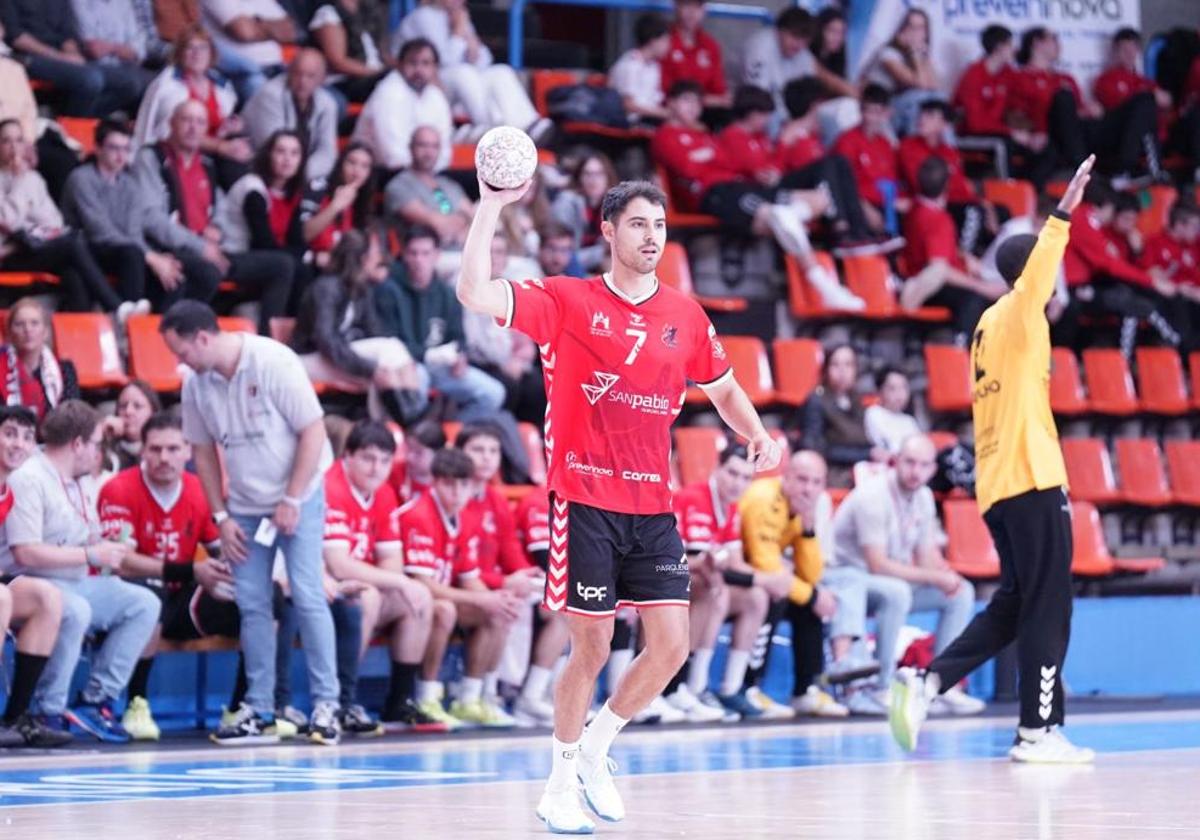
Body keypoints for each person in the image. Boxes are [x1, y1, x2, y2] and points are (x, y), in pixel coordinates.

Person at [456, 173, 782, 832]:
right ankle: (557, 783)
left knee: (671, 648)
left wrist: (757, 433)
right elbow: (472, 290)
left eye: (659, 226)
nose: (651, 237)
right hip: (584, 500)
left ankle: (595, 751)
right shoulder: (567, 299)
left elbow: (720, 387)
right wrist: (490, 206)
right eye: (638, 224)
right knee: (594, 647)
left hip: (652, 509)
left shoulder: (685, 315)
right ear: (607, 231)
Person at [889, 155, 1099, 764]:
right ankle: (1038, 731)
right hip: (1032, 477)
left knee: (1016, 600)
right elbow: (1039, 272)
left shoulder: (990, 323)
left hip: (998, 485)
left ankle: (926, 681)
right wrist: (1062, 214)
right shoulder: (1020, 313)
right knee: (1050, 602)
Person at [161, 300, 343, 746]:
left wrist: (293, 498)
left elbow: (314, 431)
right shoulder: (196, 383)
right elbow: (202, 451)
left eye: (181, 351)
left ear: (203, 338)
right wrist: (220, 515)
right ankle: (259, 708)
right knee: (252, 602)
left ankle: (327, 705)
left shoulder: (273, 361)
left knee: (306, 592)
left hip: (297, 492)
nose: (178, 361)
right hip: (244, 504)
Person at [1, 400, 159, 742]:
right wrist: (90, 553)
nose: (99, 453)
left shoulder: (80, 480)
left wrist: (107, 545)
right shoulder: (29, 476)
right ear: (78, 444)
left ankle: (96, 699)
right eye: (96, 444)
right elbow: (25, 552)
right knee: (74, 608)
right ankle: (47, 709)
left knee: (143, 603)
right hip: (26, 579)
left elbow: (79, 537)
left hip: (70, 577)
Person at [652, 80, 863, 311]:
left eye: (697, 102)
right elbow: (688, 167)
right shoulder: (666, 135)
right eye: (686, 101)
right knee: (779, 217)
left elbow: (727, 162)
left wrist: (706, 155)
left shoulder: (705, 137)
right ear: (670, 103)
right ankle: (826, 288)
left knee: (820, 198)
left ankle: (788, 219)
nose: (693, 108)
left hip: (741, 188)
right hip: (717, 195)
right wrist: (710, 157)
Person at [824, 436, 981, 716]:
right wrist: (933, 577)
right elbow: (877, 564)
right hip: (847, 580)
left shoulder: (922, 497)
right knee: (897, 592)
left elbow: (925, 556)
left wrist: (946, 575)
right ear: (896, 462)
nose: (915, 471)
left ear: (933, 469)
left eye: (923, 465)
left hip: (889, 578)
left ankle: (940, 685)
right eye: (909, 462)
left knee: (961, 593)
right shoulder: (873, 496)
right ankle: (882, 686)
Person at [96, 412, 229, 741]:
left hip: (181, 602)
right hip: (126, 603)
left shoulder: (200, 490)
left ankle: (248, 707)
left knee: (261, 598)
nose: (164, 458)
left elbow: (219, 550)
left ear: (188, 450)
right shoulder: (118, 488)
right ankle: (136, 702)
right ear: (142, 451)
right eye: (155, 449)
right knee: (149, 590)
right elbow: (119, 561)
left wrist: (231, 574)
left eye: (173, 449)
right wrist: (188, 571)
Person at [375, 225, 530, 481]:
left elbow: (458, 336)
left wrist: (460, 356)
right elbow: (391, 340)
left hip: (444, 364)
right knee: (418, 383)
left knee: (494, 392)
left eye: (425, 253)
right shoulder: (389, 289)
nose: (419, 260)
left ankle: (451, 428)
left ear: (437, 255)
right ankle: (423, 435)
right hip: (411, 364)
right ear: (403, 255)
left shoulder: (446, 292)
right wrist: (426, 356)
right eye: (413, 253)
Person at [321, 420, 448, 732]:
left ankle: (399, 702)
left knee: (418, 600)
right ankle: (340, 701)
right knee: (372, 596)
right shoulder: (331, 487)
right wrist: (399, 581)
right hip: (324, 587)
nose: (376, 468)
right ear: (347, 456)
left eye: (384, 460)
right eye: (367, 458)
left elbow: (391, 557)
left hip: (362, 584)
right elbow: (338, 564)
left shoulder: (384, 492)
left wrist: (401, 585)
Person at [132, 103, 298, 333]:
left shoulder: (208, 164)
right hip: (171, 248)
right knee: (207, 272)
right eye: (186, 120)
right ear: (171, 124)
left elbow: (220, 210)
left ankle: (267, 343)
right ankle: (182, 335)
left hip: (209, 250)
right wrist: (199, 246)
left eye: (200, 122)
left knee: (282, 265)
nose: (193, 128)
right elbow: (150, 218)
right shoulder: (152, 157)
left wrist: (218, 230)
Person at [666, 443, 787, 721]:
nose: (738, 483)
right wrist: (764, 578)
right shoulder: (691, 498)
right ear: (717, 469)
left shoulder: (731, 510)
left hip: (703, 581)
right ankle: (690, 686)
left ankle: (731, 689)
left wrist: (770, 579)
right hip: (673, 581)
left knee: (756, 597)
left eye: (746, 478)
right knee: (715, 589)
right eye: (733, 473)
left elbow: (734, 563)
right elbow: (678, 558)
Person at [401, 447, 521, 728]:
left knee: (498, 612)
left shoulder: (465, 517)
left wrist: (493, 599)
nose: (457, 492)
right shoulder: (418, 514)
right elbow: (423, 583)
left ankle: (470, 699)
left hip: (440, 594)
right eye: (449, 484)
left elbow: (469, 576)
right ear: (435, 482)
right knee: (444, 610)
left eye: (464, 484)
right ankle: (425, 697)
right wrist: (481, 599)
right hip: (409, 597)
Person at [65, 116, 219, 313]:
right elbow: (100, 231)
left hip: (125, 251)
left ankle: (160, 334)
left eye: (125, 149)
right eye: (114, 148)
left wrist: (156, 259)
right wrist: (151, 257)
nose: (120, 156)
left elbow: (134, 232)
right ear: (98, 148)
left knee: (174, 276)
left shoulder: (130, 184)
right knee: (134, 254)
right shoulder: (82, 179)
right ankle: (125, 320)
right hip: (90, 250)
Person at [738, 450, 848, 718]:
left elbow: (811, 575)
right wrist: (812, 596)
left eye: (816, 482)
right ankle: (748, 687)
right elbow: (768, 569)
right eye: (801, 479)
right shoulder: (764, 498)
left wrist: (808, 530)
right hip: (737, 576)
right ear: (786, 477)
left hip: (760, 576)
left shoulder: (803, 509)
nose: (808, 489)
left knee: (809, 602)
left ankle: (805, 691)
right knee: (776, 596)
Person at [0, 120, 138, 315]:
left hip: (32, 246)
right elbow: (9, 219)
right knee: (72, 244)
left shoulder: (33, 178)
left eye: (19, 140)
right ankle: (116, 308)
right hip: (7, 256)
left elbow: (54, 222)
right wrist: (22, 186)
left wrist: (27, 220)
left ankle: (84, 334)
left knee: (73, 274)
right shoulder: (25, 179)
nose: (14, 147)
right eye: (6, 141)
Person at [291, 228, 424, 424]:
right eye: (375, 254)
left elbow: (374, 332)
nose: (379, 259)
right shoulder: (326, 287)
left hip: (339, 356)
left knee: (391, 355)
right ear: (362, 259)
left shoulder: (361, 287)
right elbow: (326, 341)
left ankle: (402, 420)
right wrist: (368, 367)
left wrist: (373, 367)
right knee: (388, 355)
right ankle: (408, 422)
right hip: (308, 359)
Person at [0, 405, 73, 748]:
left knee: (47, 597)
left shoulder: (9, 492)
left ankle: (16, 717)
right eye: (9, 433)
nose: (18, 444)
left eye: (27, 437)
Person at [1011, 28, 1162, 183]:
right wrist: (1030, 134)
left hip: (1081, 133)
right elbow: (1015, 114)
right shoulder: (1020, 78)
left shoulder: (1065, 78)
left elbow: (1079, 111)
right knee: (1063, 97)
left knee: (1144, 100)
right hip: (1050, 136)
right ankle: (1083, 170)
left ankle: (1125, 167)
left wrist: (1090, 110)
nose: (1058, 44)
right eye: (1053, 39)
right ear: (1037, 43)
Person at [1057, 177, 1180, 359]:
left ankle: (1127, 360)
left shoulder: (1086, 221)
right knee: (1133, 304)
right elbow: (1110, 264)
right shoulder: (1082, 221)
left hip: (1082, 286)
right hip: (1072, 288)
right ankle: (1177, 346)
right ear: (1106, 206)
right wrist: (1152, 281)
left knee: (1133, 303)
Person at [393, 0, 546, 142]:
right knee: (464, 73)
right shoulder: (423, 17)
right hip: (428, 88)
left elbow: (485, 61)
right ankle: (492, 128)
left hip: (464, 87)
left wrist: (471, 42)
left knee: (500, 71)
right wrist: (458, 34)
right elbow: (441, 63)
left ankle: (529, 124)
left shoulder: (460, 17)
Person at [133, 25, 248, 190]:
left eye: (202, 48)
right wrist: (221, 147)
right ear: (180, 53)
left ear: (211, 54)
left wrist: (231, 127)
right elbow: (175, 134)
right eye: (190, 48)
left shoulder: (221, 86)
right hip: (174, 155)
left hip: (211, 154)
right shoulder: (168, 86)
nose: (197, 54)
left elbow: (221, 125)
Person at [899, 157, 1000, 341]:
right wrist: (983, 287)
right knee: (976, 299)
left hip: (918, 278)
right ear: (946, 186)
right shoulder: (939, 220)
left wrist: (963, 255)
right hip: (933, 289)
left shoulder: (914, 210)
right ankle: (960, 351)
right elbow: (939, 270)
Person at [0, 0, 146, 116]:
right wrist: (59, 57)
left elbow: (67, 33)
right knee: (90, 80)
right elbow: (16, 37)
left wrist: (73, 54)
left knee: (130, 83)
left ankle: (87, 122)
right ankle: (74, 125)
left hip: (62, 57)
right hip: (28, 56)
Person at [953, 25, 1054, 188]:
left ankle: (1032, 191)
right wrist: (1012, 133)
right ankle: (1008, 191)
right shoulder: (973, 75)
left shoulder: (1007, 74)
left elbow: (1028, 98)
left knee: (1044, 149)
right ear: (999, 48)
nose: (1014, 50)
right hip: (970, 135)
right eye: (1009, 45)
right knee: (1003, 144)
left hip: (1002, 132)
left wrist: (1036, 133)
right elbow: (975, 123)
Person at [899, 100, 1003, 256]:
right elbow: (925, 185)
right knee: (974, 211)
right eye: (922, 114)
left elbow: (960, 186)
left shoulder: (949, 152)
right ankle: (964, 257)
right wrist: (977, 203)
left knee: (1001, 211)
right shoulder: (908, 146)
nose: (922, 119)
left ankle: (989, 259)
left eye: (931, 116)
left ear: (944, 125)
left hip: (952, 200)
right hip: (927, 201)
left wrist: (983, 203)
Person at [794, 344, 887, 488]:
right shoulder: (817, 400)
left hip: (863, 467)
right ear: (826, 369)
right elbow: (814, 448)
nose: (842, 371)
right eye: (835, 364)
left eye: (848, 365)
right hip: (834, 471)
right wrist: (867, 454)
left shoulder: (857, 400)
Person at [353, 38, 452, 172]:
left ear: (435, 68)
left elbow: (444, 149)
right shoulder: (388, 92)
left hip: (423, 172)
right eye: (412, 63)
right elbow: (392, 154)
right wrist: (424, 175)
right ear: (399, 65)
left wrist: (433, 172)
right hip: (380, 172)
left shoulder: (436, 96)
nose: (419, 70)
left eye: (426, 63)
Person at [242, 48, 340, 182]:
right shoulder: (270, 95)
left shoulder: (327, 103)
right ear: (288, 72)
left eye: (310, 76)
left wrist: (305, 173)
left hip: (298, 174)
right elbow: (273, 150)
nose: (302, 81)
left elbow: (327, 151)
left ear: (322, 79)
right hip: (256, 168)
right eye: (297, 74)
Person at [383, 125, 475, 256]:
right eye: (423, 145)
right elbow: (438, 226)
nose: (429, 152)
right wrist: (463, 222)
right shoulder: (399, 186)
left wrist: (464, 223)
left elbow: (475, 219)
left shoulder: (449, 184)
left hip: (462, 254)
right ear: (411, 147)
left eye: (434, 146)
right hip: (424, 260)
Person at [832, 84, 903, 233]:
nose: (870, 118)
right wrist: (865, 208)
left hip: (887, 208)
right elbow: (841, 184)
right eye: (866, 111)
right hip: (858, 207)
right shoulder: (847, 141)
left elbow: (892, 182)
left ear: (886, 113)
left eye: (876, 112)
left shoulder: (885, 144)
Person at [858, 8, 941, 136]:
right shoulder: (889, 54)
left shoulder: (917, 55)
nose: (916, 33)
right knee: (918, 99)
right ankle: (916, 148)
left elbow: (934, 86)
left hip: (898, 106)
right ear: (901, 29)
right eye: (911, 27)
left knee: (938, 98)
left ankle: (947, 150)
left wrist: (924, 57)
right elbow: (919, 84)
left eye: (921, 28)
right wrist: (915, 53)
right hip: (878, 107)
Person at [0, 299, 81, 422]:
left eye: (34, 323)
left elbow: (71, 416)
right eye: (19, 324)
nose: (27, 329)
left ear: (46, 332)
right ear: (9, 333)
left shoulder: (65, 369)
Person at [302, 141, 379, 268]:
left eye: (365, 166)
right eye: (351, 162)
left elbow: (370, 245)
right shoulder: (318, 188)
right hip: (314, 263)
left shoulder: (363, 198)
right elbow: (304, 234)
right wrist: (335, 206)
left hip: (346, 267)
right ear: (340, 164)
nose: (357, 171)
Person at [200, 0, 296, 101]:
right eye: (257, 20)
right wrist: (270, 28)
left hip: (278, 67)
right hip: (245, 72)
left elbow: (290, 31)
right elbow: (244, 32)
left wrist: (256, 23)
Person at [550, 152, 618, 274]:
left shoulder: (614, 205)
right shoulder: (566, 202)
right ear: (579, 178)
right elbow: (562, 256)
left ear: (608, 177)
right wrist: (601, 251)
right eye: (587, 174)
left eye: (599, 174)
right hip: (568, 266)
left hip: (597, 264)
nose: (593, 180)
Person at [308, 0, 389, 103]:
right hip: (347, 82)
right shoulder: (328, 13)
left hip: (373, 78)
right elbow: (338, 62)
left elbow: (383, 54)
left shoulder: (367, 11)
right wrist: (378, 74)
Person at [660, 0, 729, 110]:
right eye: (687, 5)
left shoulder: (711, 46)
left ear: (704, 9)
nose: (692, 12)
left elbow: (719, 91)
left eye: (697, 6)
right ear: (676, 6)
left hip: (705, 109)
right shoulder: (662, 41)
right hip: (669, 111)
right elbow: (662, 90)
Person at [609, 14, 671, 124]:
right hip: (631, 121)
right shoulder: (630, 65)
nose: (668, 46)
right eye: (665, 40)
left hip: (650, 116)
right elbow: (629, 105)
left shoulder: (654, 66)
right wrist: (666, 114)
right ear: (653, 40)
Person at [101, 380, 162, 472]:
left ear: (153, 413)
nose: (128, 411)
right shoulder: (106, 446)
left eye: (137, 406)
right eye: (123, 406)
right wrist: (103, 438)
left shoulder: (162, 449)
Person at [864, 367, 920, 456]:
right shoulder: (873, 413)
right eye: (892, 388)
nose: (899, 394)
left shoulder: (909, 421)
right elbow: (884, 447)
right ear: (879, 391)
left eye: (904, 387)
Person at [390, 417, 443, 503]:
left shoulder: (444, 485)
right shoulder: (393, 472)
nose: (409, 457)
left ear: (437, 455)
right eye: (408, 449)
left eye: (418, 453)